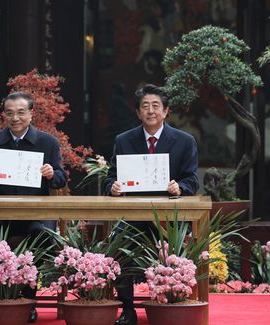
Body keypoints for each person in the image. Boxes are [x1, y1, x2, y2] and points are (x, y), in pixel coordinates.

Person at [0, 91, 67, 323]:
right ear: (4, 116)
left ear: (31, 114)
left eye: (21, 112)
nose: (15, 118)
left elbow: (62, 178)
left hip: (37, 215)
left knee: (36, 237)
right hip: (0, 215)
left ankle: (27, 302)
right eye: (10, 113)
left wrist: (52, 174)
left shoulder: (48, 142)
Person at [103, 84, 198, 325]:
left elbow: (192, 180)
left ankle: (171, 305)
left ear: (166, 111)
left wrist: (181, 188)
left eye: (156, 106)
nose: (151, 111)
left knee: (176, 247)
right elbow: (110, 178)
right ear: (137, 112)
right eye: (145, 106)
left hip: (168, 218)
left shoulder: (184, 141)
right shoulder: (124, 140)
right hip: (134, 216)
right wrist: (112, 188)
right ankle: (127, 309)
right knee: (117, 244)